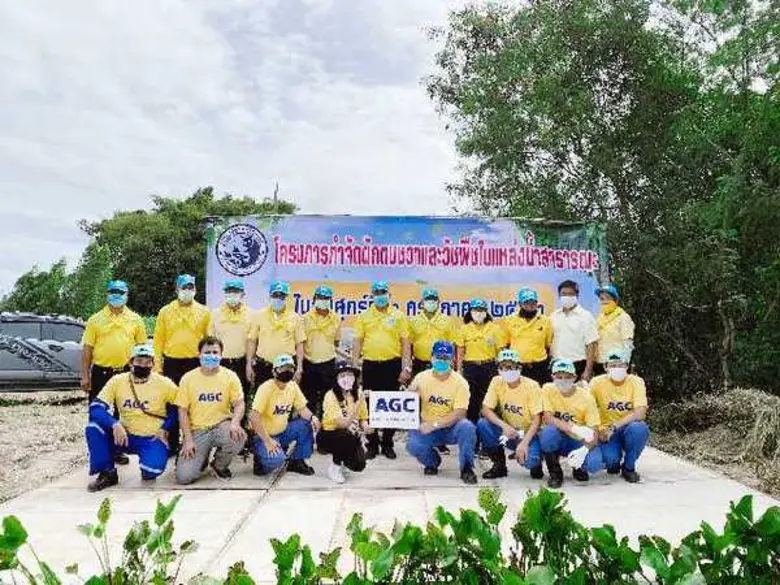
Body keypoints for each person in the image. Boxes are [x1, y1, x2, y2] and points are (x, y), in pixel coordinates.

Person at [84, 344, 178, 492]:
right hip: (124, 435)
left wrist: (165, 428)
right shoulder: (117, 381)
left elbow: (179, 407)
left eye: (148, 362)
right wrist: (114, 423)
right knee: (93, 427)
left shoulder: (164, 383)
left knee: (151, 471)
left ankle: (147, 463)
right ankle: (107, 473)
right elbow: (95, 408)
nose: (143, 365)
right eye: (139, 361)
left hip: (151, 437)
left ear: (153, 364)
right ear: (130, 362)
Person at [81, 279, 147, 465]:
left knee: (123, 412)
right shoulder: (95, 320)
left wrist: (143, 374)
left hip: (126, 373)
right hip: (101, 373)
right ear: (107, 294)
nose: (116, 295)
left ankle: (117, 450)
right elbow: (87, 350)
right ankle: (100, 452)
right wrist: (85, 375)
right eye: (113, 292)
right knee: (98, 412)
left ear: (127, 295)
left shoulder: (136, 319)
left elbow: (142, 349)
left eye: (120, 292)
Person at [352, 281, 412, 460]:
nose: (380, 296)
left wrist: (406, 367)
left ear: (389, 295)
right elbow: (357, 342)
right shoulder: (364, 316)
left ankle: (387, 444)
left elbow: (405, 343)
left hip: (392, 365)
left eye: (383, 293)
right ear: (372, 296)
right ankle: (372, 444)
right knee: (369, 405)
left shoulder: (399, 316)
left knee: (391, 405)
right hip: (370, 366)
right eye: (376, 293)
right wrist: (355, 367)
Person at [175, 337, 247, 484]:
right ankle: (201, 459)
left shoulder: (230, 376)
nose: (211, 356)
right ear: (199, 355)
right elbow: (182, 411)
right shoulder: (188, 378)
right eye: (207, 352)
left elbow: (239, 403)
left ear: (221, 355)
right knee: (184, 477)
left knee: (239, 437)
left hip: (221, 425)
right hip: (198, 430)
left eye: (215, 352)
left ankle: (219, 465)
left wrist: (235, 423)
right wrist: (188, 440)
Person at [153, 274, 211, 454]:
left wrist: (207, 364)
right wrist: (157, 366)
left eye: (190, 287)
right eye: (184, 287)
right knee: (172, 404)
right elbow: (158, 341)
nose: (187, 290)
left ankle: (193, 442)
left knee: (194, 403)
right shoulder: (165, 311)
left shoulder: (204, 312)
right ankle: (171, 444)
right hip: (171, 363)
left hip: (194, 363)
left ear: (195, 289)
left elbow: (208, 341)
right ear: (177, 289)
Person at [406, 341, 477, 484]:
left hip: (451, 427)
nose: (441, 361)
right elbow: (408, 401)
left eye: (446, 358)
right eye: (438, 357)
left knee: (468, 427)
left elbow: (460, 413)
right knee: (412, 445)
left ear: (452, 360)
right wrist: (409, 394)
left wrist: (435, 424)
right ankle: (432, 463)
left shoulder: (460, 382)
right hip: (427, 426)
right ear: (431, 358)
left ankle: (467, 468)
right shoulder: (421, 378)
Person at [477, 349, 544, 480]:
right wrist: (504, 426)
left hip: (528, 433)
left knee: (530, 461)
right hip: (508, 431)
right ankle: (499, 465)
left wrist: (524, 444)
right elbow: (486, 409)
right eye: (504, 367)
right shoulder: (496, 381)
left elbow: (537, 419)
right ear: (499, 369)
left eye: (512, 366)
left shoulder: (532, 386)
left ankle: (537, 461)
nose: (508, 370)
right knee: (483, 424)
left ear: (519, 368)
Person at [250, 354, 320, 476]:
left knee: (306, 424)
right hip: (264, 436)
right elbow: (254, 417)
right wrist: (267, 441)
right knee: (277, 460)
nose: (287, 371)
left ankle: (297, 461)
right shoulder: (265, 388)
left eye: (290, 368)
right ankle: (260, 460)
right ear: (274, 371)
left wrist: (313, 418)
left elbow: (302, 409)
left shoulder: (292, 386)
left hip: (283, 432)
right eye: (282, 368)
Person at [540, 359, 605, 488]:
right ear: (552, 377)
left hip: (578, 441)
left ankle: (578, 468)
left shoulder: (586, 397)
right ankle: (555, 473)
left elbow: (594, 432)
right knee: (547, 433)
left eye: (567, 377)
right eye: (559, 377)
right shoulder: (547, 389)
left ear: (574, 377)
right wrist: (575, 428)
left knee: (594, 464)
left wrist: (584, 450)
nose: (563, 380)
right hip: (559, 437)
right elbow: (548, 418)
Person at [590, 349, 649, 483]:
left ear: (627, 366)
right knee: (609, 461)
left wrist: (614, 427)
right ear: (605, 367)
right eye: (613, 365)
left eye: (621, 365)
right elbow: (588, 409)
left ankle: (629, 467)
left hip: (628, 427)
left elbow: (640, 412)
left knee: (639, 429)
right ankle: (614, 461)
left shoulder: (636, 382)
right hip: (605, 430)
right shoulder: (596, 383)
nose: (617, 368)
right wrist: (596, 430)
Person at [455, 298, 508, 424]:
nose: (479, 313)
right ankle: (471, 426)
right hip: (470, 368)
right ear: (470, 312)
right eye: (476, 310)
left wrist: (503, 369)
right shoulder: (464, 329)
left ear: (486, 312)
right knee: (471, 399)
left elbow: (501, 350)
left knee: (490, 398)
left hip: (489, 366)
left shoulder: (495, 328)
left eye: (481, 310)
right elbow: (460, 350)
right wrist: (458, 369)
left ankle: (488, 426)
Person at [246, 281, 306, 391]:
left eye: (281, 296)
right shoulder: (259, 315)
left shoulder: (295, 318)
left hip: (286, 367)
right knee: (263, 397)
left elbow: (299, 344)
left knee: (286, 397)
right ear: (270, 296)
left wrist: (299, 368)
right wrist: (249, 365)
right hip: (264, 366)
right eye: (275, 295)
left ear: (286, 298)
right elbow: (252, 341)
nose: (278, 299)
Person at [317, 362, 370, 484]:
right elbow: (343, 424)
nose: (346, 378)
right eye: (342, 375)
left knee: (359, 465)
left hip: (351, 433)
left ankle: (344, 461)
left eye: (350, 374)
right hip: (329, 435)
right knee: (345, 435)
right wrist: (358, 403)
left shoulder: (358, 393)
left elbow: (363, 418)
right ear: (336, 379)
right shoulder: (330, 396)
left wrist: (366, 427)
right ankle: (335, 467)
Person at [209, 279, 253, 411]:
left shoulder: (251, 314)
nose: (232, 294)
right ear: (225, 294)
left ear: (242, 294)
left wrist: (249, 364)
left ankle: (241, 423)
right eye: (229, 291)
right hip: (221, 363)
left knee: (241, 397)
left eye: (236, 291)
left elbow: (252, 341)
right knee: (220, 398)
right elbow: (211, 341)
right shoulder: (215, 314)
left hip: (242, 363)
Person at [302, 285, 342, 418]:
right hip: (310, 363)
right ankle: (309, 426)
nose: (323, 300)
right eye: (320, 297)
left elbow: (336, 342)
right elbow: (301, 342)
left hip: (328, 364)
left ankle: (326, 425)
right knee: (309, 398)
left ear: (330, 300)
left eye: (326, 298)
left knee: (328, 398)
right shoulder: (305, 318)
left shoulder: (336, 318)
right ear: (314, 299)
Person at [549, 280, 599, 381]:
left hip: (577, 365)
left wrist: (588, 370)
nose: (567, 296)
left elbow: (591, 345)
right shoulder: (553, 316)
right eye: (564, 294)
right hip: (556, 365)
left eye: (570, 294)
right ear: (559, 296)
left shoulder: (586, 316)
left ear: (577, 295)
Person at [502, 287, 553, 385]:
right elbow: (506, 343)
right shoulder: (509, 320)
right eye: (526, 303)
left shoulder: (546, 321)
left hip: (540, 367)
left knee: (539, 393)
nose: (530, 306)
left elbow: (547, 344)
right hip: (517, 366)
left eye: (533, 303)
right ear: (520, 304)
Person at [409, 288, 457, 375]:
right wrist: (408, 365)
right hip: (419, 364)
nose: (431, 302)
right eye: (428, 299)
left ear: (438, 302)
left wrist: (452, 363)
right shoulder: (413, 320)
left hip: (442, 364)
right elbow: (409, 345)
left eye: (434, 299)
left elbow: (452, 344)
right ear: (422, 303)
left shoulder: (447, 320)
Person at [594, 285, 635, 376]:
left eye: (608, 298)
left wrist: (624, 364)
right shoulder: (599, 318)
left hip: (617, 364)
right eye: (601, 299)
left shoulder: (623, 317)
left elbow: (628, 343)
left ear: (615, 301)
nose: (604, 301)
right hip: (600, 363)